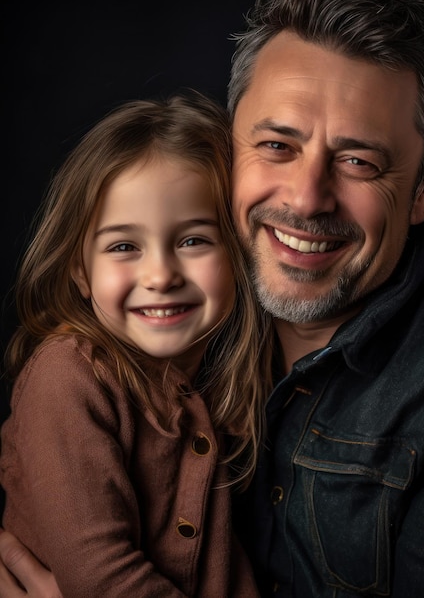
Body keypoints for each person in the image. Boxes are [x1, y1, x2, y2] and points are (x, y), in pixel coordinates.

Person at [1, 0, 424, 596]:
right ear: (230, 148)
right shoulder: (191, 321)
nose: (306, 199)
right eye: (277, 144)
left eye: (359, 161)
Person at [0, 90, 271, 597]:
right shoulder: (69, 378)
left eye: (193, 240)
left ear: (238, 255)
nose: (160, 275)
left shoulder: (224, 382)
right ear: (81, 270)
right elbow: (99, 576)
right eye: (124, 246)